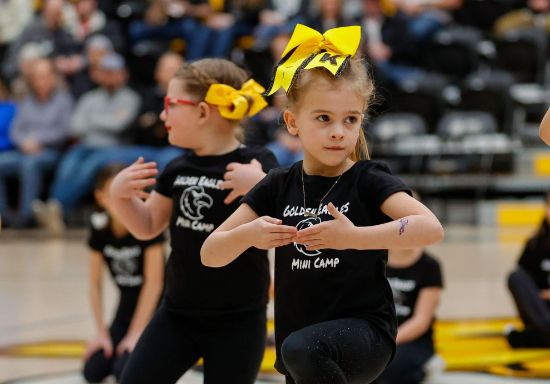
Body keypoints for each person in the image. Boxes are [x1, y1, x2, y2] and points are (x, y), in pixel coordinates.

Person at [201, 24, 444, 384]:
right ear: (292, 121)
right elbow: (211, 253)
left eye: (351, 120)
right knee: (300, 349)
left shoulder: (368, 178)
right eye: (323, 118)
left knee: (303, 348)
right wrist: (250, 233)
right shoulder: (277, 185)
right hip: (298, 343)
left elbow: (430, 229)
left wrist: (353, 237)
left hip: (365, 334)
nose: (338, 132)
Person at [109, 58, 278, 383]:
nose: (162, 115)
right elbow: (147, 226)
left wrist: (260, 187)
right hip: (176, 314)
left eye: (170, 104)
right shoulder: (176, 168)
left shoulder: (258, 163)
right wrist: (121, 197)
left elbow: (287, 221)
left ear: (202, 112)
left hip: (239, 321)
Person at [83, 163, 165, 383]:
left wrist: (135, 333)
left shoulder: (147, 227)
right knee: (94, 370)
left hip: (157, 310)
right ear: (101, 198)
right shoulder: (100, 229)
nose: (121, 202)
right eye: (114, 195)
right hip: (125, 307)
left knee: (124, 371)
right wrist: (101, 333)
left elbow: (154, 284)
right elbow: (94, 284)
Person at [0, 58, 72, 228]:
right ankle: (3, 216)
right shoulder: (26, 102)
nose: (42, 80)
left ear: (53, 77)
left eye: (46, 75)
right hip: (24, 149)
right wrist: (24, 142)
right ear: (32, 80)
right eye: (38, 76)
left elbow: (65, 130)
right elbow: (15, 130)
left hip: (51, 151)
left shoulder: (63, 100)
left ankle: (26, 217)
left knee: (30, 165)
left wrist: (38, 140)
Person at [374, 247, 443, 384]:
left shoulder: (429, 266)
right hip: (377, 335)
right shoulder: (374, 262)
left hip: (412, 340)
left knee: (386, 369)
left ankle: (424, 370)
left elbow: (421, 321)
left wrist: (388, 341)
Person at [506, 190, 550, 348]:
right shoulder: (534, 244)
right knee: (515, 276)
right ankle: (544, 331)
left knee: (520, 338)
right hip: (542, 313)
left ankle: (528, 337)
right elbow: (523, 285)